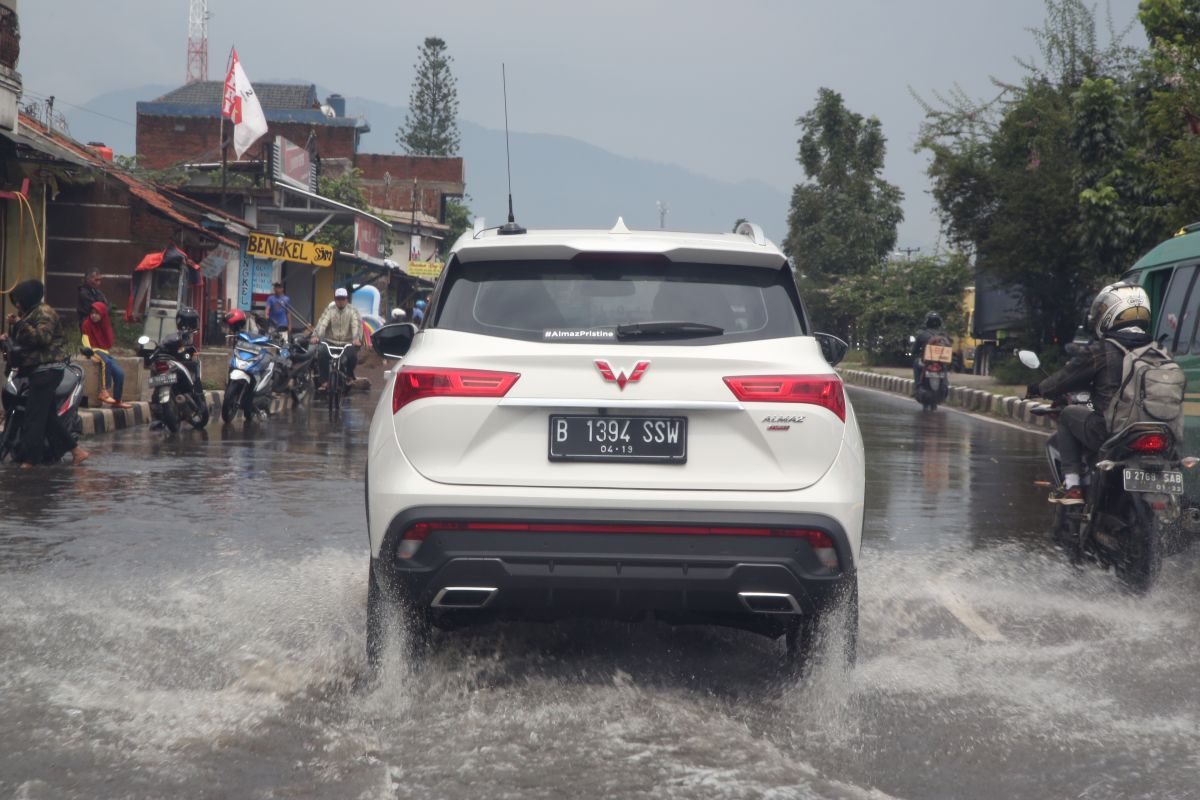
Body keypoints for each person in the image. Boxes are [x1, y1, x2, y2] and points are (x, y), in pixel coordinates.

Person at [1026, 282, 1153, 505]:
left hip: (1112, 430)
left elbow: (1065, 378)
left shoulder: (1102, 350)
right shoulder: (1158, 350)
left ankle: (1073, 486)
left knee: (1067, 415)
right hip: (1156, 428)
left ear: (1113, 313)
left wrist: (1040, 388)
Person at [1, 280, 89, 468]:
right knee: (47, 417)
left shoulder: (44, 313)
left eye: (19, 300)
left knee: (34, 417)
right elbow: (24, 341)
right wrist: (8, 337)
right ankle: (77, 451)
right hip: (33, 371)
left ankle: (30, 461)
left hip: (47, 371)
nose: (17, 305)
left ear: (29, 297)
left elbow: (41, 338)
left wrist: (20, 323)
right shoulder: (29, 313)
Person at [81, 301, 131, 409]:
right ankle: (104, 391)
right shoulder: (86, 324)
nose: (94, 315)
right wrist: (90, 354)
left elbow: (108, 342)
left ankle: (117, 401)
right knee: (106, 362)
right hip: (94, 350)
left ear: (102, 314)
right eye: (92, 313)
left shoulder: (104, 324)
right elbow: (85, 341)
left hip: (104, 352)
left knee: (120, 373)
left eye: (97, 313)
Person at [311, 287, 362, 389]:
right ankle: (324, 381)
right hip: (330, 342)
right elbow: (322, 323)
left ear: (347, 299)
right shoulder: (330, 310)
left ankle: (349, 376)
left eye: (343, 298)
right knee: (321, 353)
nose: (341, 301)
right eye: (338, 299)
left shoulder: (352, 311)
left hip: (347, 343)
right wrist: (316, 336)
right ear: (335, 299)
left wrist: (356, 338)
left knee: (352, 356)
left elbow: (355, 325)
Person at [913, 311, 947, 390]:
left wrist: (914, 353)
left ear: (927, 322)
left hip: (926, 361)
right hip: (941, 361)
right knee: (944, 367)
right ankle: (945, 384)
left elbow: (915, 349)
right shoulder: (944, 335)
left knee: (916, 363)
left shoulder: (922, 334)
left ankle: (918, 385)